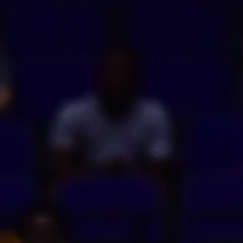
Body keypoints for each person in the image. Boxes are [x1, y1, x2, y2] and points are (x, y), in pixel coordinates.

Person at [47, 46, 173, 183]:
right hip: (86, 189)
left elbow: (158, 172)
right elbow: (61, 167)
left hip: (135, 190)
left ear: (137, 77)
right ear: (100, 75)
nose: (119, 81)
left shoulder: (155, 114)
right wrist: (101, 172)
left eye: (125, 74)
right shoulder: (71, 113)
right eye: (113, 73)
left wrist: (126, 174)